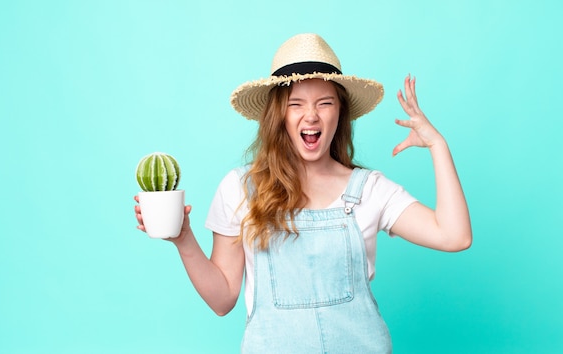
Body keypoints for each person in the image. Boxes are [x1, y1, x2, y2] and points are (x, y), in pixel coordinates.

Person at [134, 33, 471, 353]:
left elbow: (455, 236)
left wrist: (437, 145)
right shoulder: (240, 188)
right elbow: (222, 300)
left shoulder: (369, 189)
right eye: (296, 104)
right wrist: (183, 238)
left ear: (340, 112)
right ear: (278, 115)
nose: (311, 115)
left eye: (324, 103)